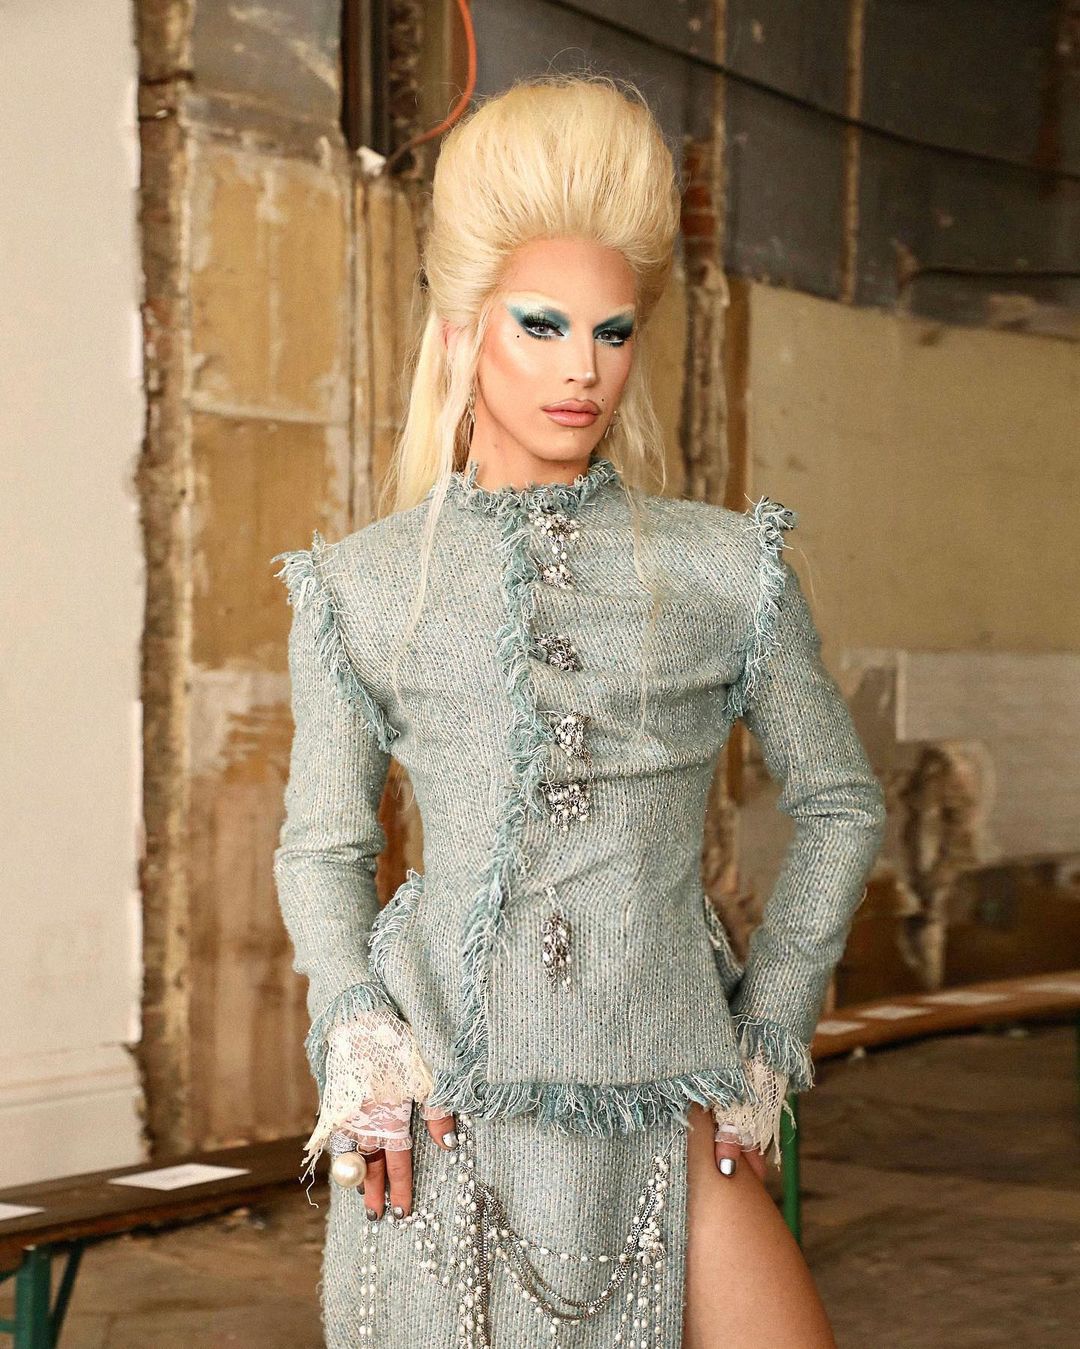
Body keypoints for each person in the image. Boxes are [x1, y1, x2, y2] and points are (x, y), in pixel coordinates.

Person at [271, 72, 886, 1348]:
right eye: (542, 326)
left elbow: (840, 802)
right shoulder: (362, 587)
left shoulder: (726, 567)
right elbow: (322, 846)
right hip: (442, 1099)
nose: (581, 370)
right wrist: (358, 1027)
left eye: (613, 333)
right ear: (464, 332)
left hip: (672, 1086)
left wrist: (769, 1029)